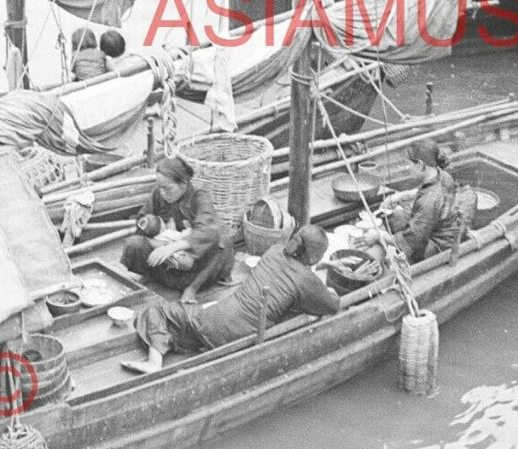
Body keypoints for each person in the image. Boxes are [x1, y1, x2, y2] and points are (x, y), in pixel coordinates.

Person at [131, 224, 342, 371]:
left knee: (157, 311)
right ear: (314, 257)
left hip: (211, 320)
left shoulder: (275, 251)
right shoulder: (306, 279)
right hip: (242, 336)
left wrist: (322, 267)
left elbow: (291, 270)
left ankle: (154, 362)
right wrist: (330, 290)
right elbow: (332, 305)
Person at [120, 155, 236, 304]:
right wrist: (156, 237)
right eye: (160, 187)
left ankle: (192, 289)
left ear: (183, 184)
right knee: (134, 243)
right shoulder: (159, 194)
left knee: (222, 241)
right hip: (167, 261)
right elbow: (141, 220)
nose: (162, 192)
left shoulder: (200, 197)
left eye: (167, 188)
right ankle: (150, 274)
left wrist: (174, 247)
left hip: (195, 269)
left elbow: (207, 231)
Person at [380, 138, 458, 261]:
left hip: (439, 241)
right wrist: (400, 196)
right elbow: (427, 190)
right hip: (443, 227)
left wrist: (379, 236)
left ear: (421, 165)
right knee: (395, 216)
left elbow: (412, 239)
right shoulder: (441, 174)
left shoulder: (428, 201)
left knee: (400, 256)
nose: (407, 168)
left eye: (409, 164)